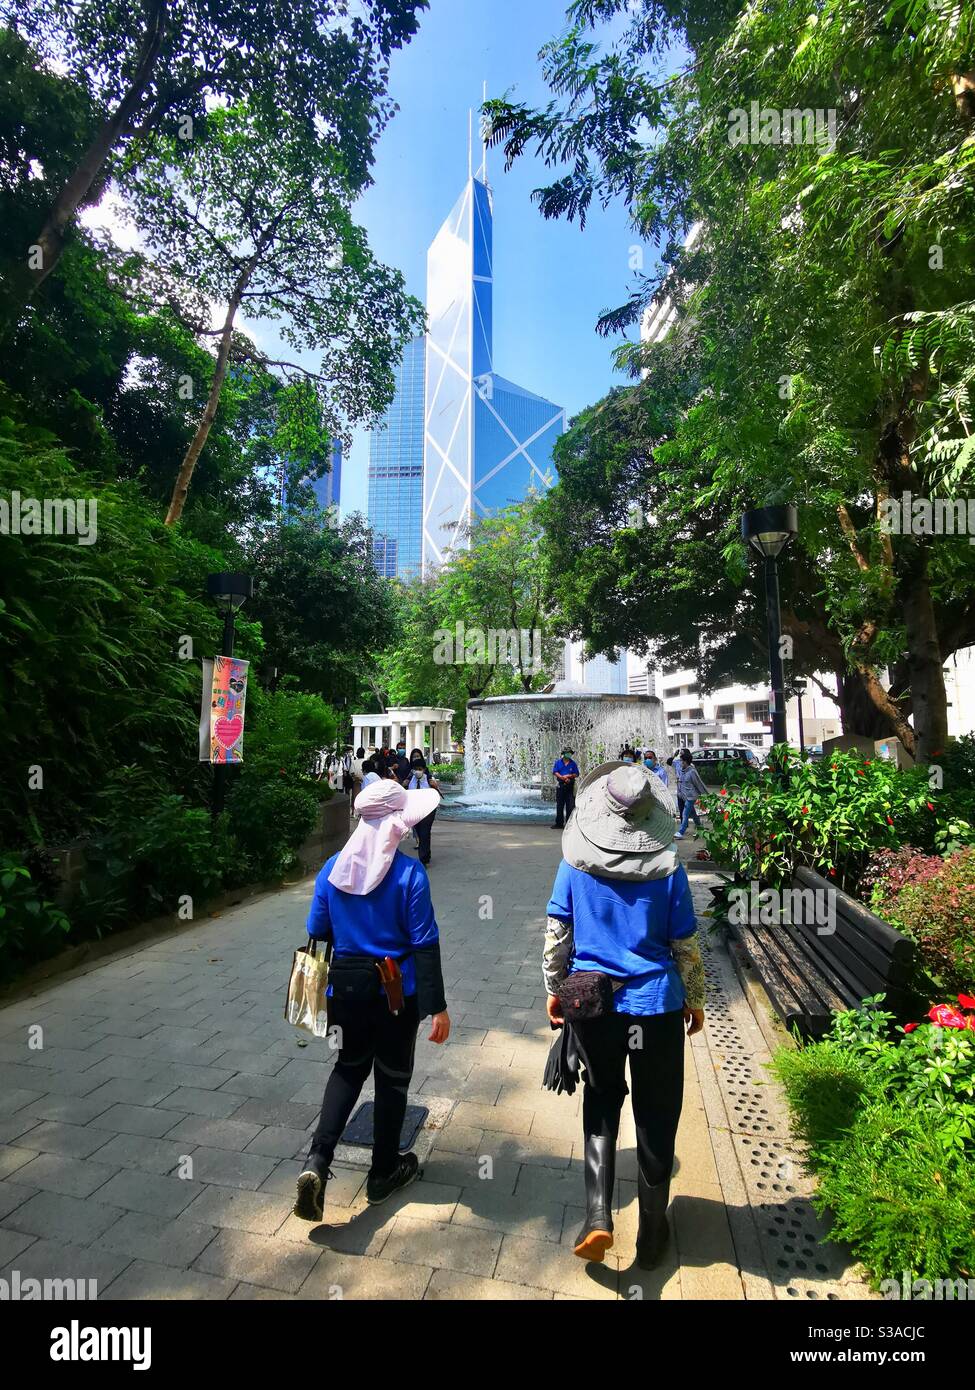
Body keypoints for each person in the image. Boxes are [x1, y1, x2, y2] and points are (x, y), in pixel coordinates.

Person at [542, 761, 705, 1269]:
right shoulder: (668, 868)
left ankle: (597, 1217)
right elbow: (686, 946)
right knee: (657, 1111)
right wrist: (695, 999)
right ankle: (653, 1234)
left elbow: (556, 936)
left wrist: (554, 991)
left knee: (601, 1095)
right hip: (655, 1007)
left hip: (593, 1006)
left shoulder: (574, 862)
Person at [293, 779, 451, 1222]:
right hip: (395, 996)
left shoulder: (331, 869)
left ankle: (317, 1163)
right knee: (393, 1077)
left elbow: (317, 929)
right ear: (397, 826)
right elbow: (425, 942)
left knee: (347, 1069)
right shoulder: (409, 875)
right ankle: (383, 1172)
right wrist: (437, 1007)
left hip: (344, 992)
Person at [405, 749, 440, 865]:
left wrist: (435, 786)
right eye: (415, 769)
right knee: (420, 833)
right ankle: (426, 854)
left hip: (428, 810)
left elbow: (437, 793)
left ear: (424, 770)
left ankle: (423, 859)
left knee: (425, 832)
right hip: (415, 811)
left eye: (420, 769)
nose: (417, 772)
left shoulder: (429, 780)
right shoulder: (410, 781)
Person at [674, 748, 707, 839]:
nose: (680, 763)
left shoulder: (692, 772)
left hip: (691, 797)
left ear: (685, 762)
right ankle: (701, 829)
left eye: (681, 761)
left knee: (685, 814)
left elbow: (699, 783)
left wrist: (706, 795)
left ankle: (681, 831)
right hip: (684, 797)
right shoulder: (682, 771)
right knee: (693, 814)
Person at [551, 746, 580, 830]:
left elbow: (576, 774)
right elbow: (555, 772)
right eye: (567, 753)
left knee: (570, 805)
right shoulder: (558, 762)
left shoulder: (573, 763)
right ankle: (559, 823)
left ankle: (568, 824)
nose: (569, 754)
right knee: (559, 805)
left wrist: (569, 776)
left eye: (570, 753)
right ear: (563, 754)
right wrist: (562, 778)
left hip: (570, 785)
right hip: (560, 785)